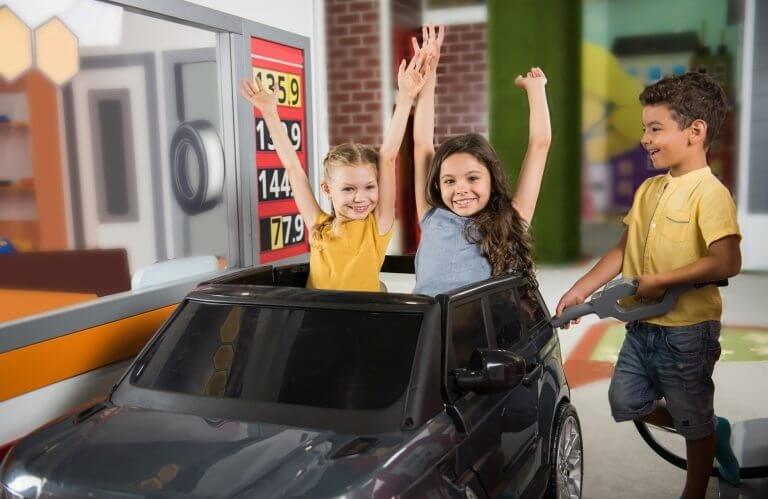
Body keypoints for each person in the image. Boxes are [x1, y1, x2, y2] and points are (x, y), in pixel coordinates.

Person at [556, 72, 742, 498]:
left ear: (695, 132)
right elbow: (622, 251)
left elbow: (727, 259)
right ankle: (714, 429)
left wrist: (662, 280)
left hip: (687, 332)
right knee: (625, 402)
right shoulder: (648, 190)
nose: (645, 138)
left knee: (692, 420)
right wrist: (582, 288)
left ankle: (695, 486)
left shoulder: (710, 194)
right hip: (642, 326)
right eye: (645, 128)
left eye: (655, 129)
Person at [240, 50, 430, 291]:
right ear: (328, 189)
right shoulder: (318, 225)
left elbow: (388, 156)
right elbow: (293, 168)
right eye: (349, 189)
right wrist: (269, 113)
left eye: (369, 187)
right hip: (316, 322)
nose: (360, 198)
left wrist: (405, 99)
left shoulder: (376, 228)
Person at [411, 25, 551, 296]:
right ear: (438, 185)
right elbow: (422, 144)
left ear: (491, 179)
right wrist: (430, 70)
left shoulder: (511, 218)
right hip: (428, 331)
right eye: (449, 181)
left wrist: (535, 89)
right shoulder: (431, 215)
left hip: (480, 334)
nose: (461, 189)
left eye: (473, 178)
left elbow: (540, 143)